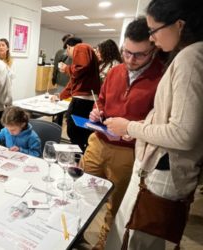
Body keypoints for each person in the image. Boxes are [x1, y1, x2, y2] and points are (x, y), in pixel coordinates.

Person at [105, 0, 203, 249]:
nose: (152, 37)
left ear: (179, 25)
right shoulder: (188, 56)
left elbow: (183, 133)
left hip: (162, 169)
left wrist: (130, 127)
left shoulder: (191, 58)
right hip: (160, 164)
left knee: (136, 236)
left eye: (154, 30)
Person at [82, 17, 164, 250]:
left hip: (129, 152)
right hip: (98, 141)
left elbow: (159, 123)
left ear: (153, 49)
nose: (130, 59)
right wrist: (97, 112)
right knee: (82, 192)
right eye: (126, 52)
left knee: (116, 205)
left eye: (139, 55)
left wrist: (130, 127)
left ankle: (103, 244)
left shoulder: (163, 78)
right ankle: (75, 235)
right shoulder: (115, 71)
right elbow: (103, 102)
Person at [58, 37, 100, 152]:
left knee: (74, 132)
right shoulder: (87, 50)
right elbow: (75, 81)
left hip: (82, 100)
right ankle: (80, 158)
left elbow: (81, 67)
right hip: (87, 100)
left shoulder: (80, 47)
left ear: (68, 47)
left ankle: (76, 159)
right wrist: (60, 96)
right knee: (83, 133)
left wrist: (67, 68)